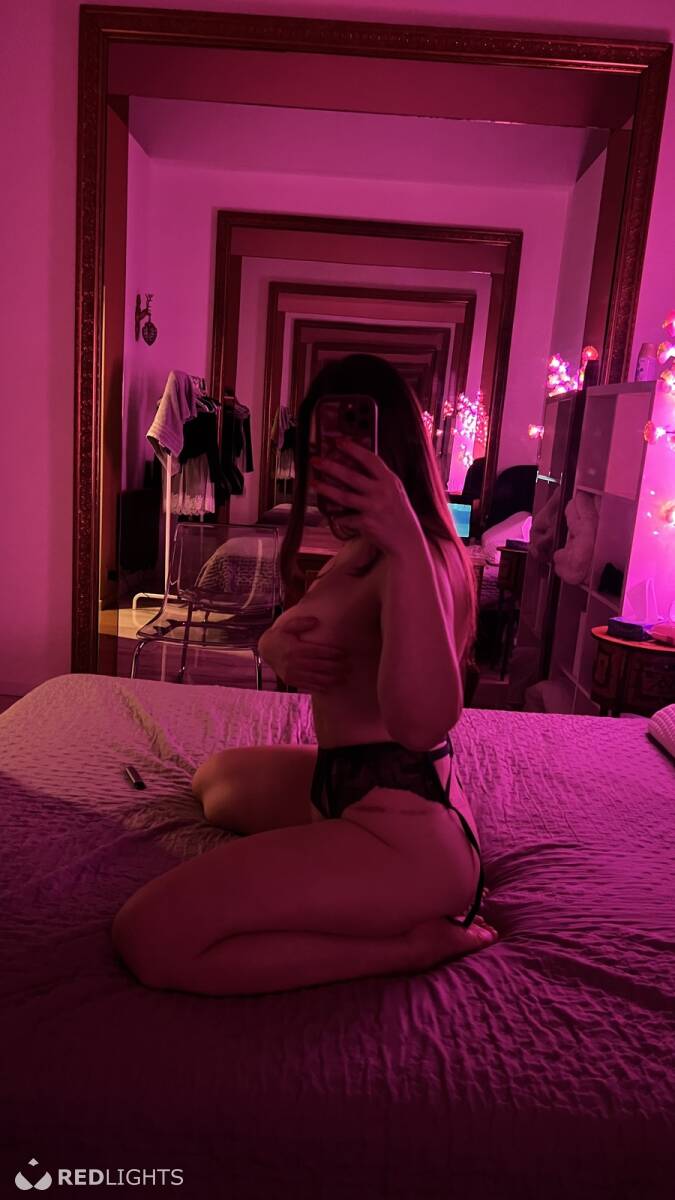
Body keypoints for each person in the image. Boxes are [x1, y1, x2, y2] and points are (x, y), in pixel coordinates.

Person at [111, 355, 497, 996]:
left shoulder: (423, 557)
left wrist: (405, 539)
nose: (325, 465)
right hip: (342, 782)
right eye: (318, 447)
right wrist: (276, 649)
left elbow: (422, 722)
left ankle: (410, 948)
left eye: (349, 443)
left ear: (393, 447)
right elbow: (291, 629)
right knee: (214, 782)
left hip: (405, 834)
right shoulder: (361, 547)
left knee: (147, 935)